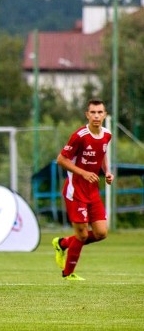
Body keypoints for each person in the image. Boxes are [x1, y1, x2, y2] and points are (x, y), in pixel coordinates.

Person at [52, 99, 113, 281]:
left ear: (105, 115)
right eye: (92, 112)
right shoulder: (79, 135)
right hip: (75, 191)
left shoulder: (107, 135)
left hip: (92, 190)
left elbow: (102, 154)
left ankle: (62, 243)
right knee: (82, 234)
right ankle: (68, 274)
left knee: (101, 233)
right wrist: (84, 173)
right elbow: (61, 160)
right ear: (87, 115)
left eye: (99, 112)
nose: (96, 116)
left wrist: (107, 171)